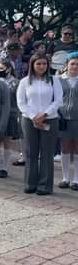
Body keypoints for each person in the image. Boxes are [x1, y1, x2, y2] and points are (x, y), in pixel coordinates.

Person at [17, 53, 63, 195]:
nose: (42, 66)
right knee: (31, 152)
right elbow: (21, 102)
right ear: (32, 65)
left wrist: (44, 114)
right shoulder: (25, 81)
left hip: (50, 119)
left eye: (44, 64)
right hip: (29, 120)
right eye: (38, 64)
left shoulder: (54, 80)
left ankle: (44, 185)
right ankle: (30, 184)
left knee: (47, 152)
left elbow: (59, 100)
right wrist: (33, 116)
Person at [0, 60, 21, 177]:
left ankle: (4, 168)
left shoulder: (16, 82)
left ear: (9, 69)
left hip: (10, 114)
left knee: (6, 141)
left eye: (2, 68)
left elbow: (19, 100)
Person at [58, 52, 78, 191]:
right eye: (72, 63)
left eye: (77, 64)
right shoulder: (58, 80)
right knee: (65, 148)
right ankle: (65, 178)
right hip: (63, 118)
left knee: (77, 149)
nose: (75, 66)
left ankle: (76, 179)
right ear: (66, 65)